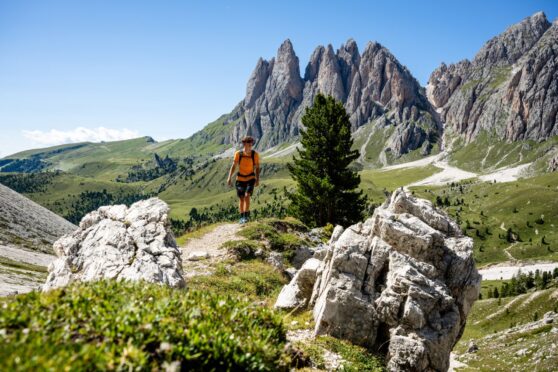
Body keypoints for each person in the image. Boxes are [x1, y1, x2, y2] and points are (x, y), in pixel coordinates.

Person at [227, 136, 260, 224]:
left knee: (247, 195)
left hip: (250, 178)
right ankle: (241, 217)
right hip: (240, 179)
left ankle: (246, 216)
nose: (250, 143)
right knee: (241, 198)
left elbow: (257, 168)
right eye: (248, 142)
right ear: (244, 143)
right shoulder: (239, 154)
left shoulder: (255, 154)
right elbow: (233, 166)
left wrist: (257, 179)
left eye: (251, 142)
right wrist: (229, 177)